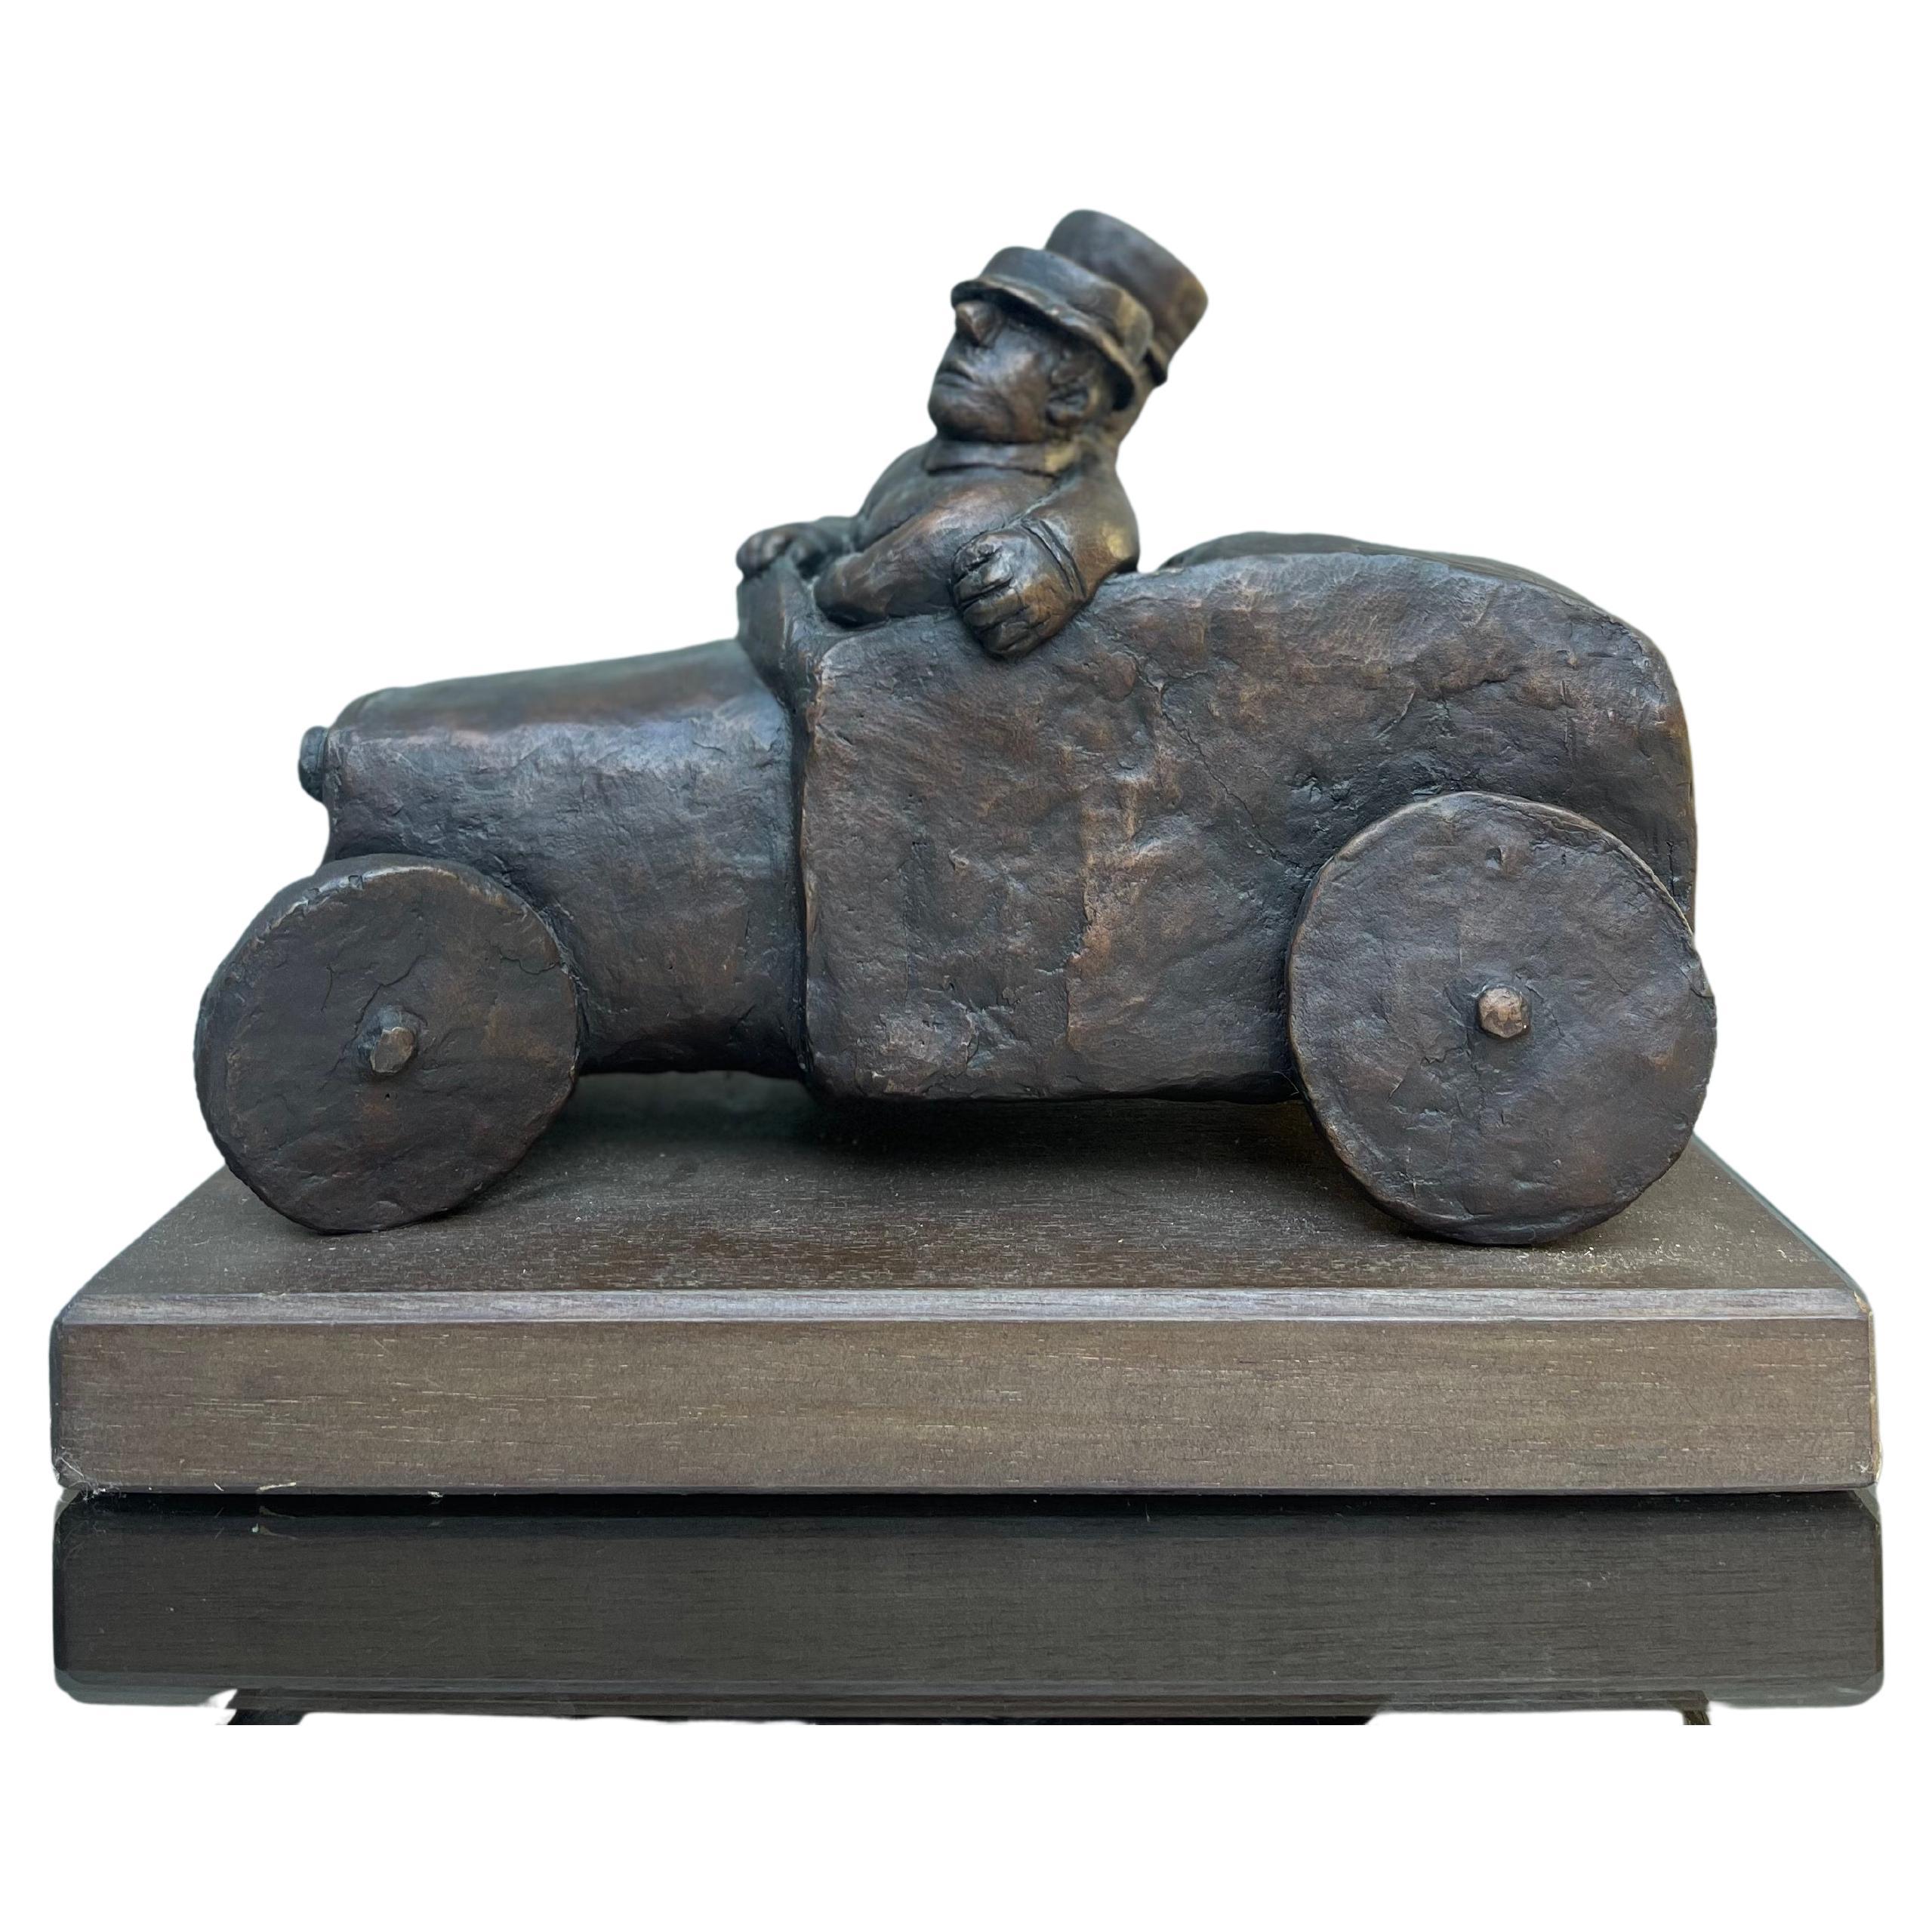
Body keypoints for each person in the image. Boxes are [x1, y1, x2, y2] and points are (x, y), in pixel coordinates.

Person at [738, 211, 1206, 659]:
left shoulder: (993, 506)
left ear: (1075, 395)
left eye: (1021, 325)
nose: (970, 323)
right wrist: (822, 538)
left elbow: (848, 592)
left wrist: (1061, 551)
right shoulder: (930, 461)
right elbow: (868, 530)